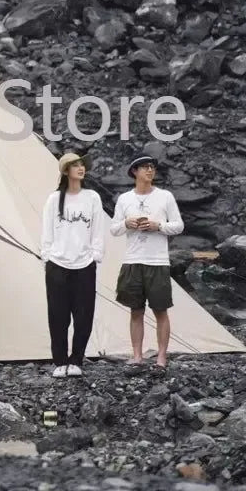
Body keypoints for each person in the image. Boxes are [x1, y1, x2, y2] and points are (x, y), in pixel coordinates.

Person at [110, 154, 184, 369]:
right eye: (145, 167)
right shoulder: (125, 199)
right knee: (135, 310)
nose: (150, 171)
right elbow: (114, 229)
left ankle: (161, 357)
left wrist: (158, 226)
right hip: (132, 260)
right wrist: (127, 222)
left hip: (158, 262)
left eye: (152, 167)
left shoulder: (165, 196)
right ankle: (137, 355)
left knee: (161, 310)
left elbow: (179, 226)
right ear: (135, 172)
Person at [41, 152, 105, 378]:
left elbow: (98, 229)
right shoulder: (53, 199)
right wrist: (47, 256)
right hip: (58, 264)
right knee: (57, 315)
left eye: (82, 165)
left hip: (84, 264)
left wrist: (96, 255)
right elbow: (47, 232)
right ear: (66, 171)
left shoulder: (92, 198)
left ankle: (76, 359)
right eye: (75, 165)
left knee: (84, 314)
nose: (81, 168)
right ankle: (59, 361)